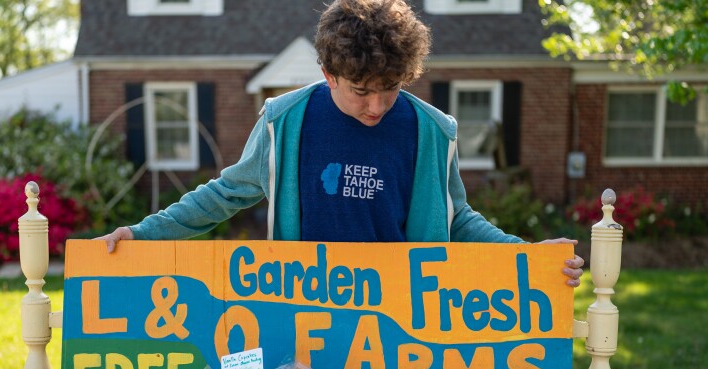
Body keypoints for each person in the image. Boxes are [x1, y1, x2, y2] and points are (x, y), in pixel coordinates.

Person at [98, 0, 584, 287]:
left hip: (404, 308)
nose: (377, 107)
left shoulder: (433, 130)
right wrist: (143, 234)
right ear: (329, 74)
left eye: (390, 89)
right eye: (361, 91)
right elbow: (224, 194)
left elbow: (457, 219)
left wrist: (529, 256)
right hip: (307, 304)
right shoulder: (284, 120)